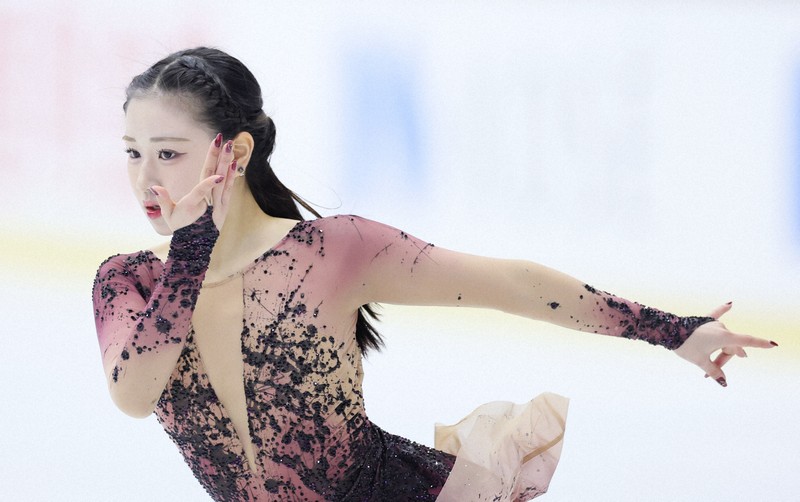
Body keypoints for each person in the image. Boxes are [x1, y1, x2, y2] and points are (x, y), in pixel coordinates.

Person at [92, 47, 777, 502]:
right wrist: (192, 251)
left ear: (235, 152)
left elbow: (511, 283)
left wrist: (670, 330)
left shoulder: (330, 252)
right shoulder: (130, 284)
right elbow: (133, 394)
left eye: (168, 153)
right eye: (131, 153)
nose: (146, 179)